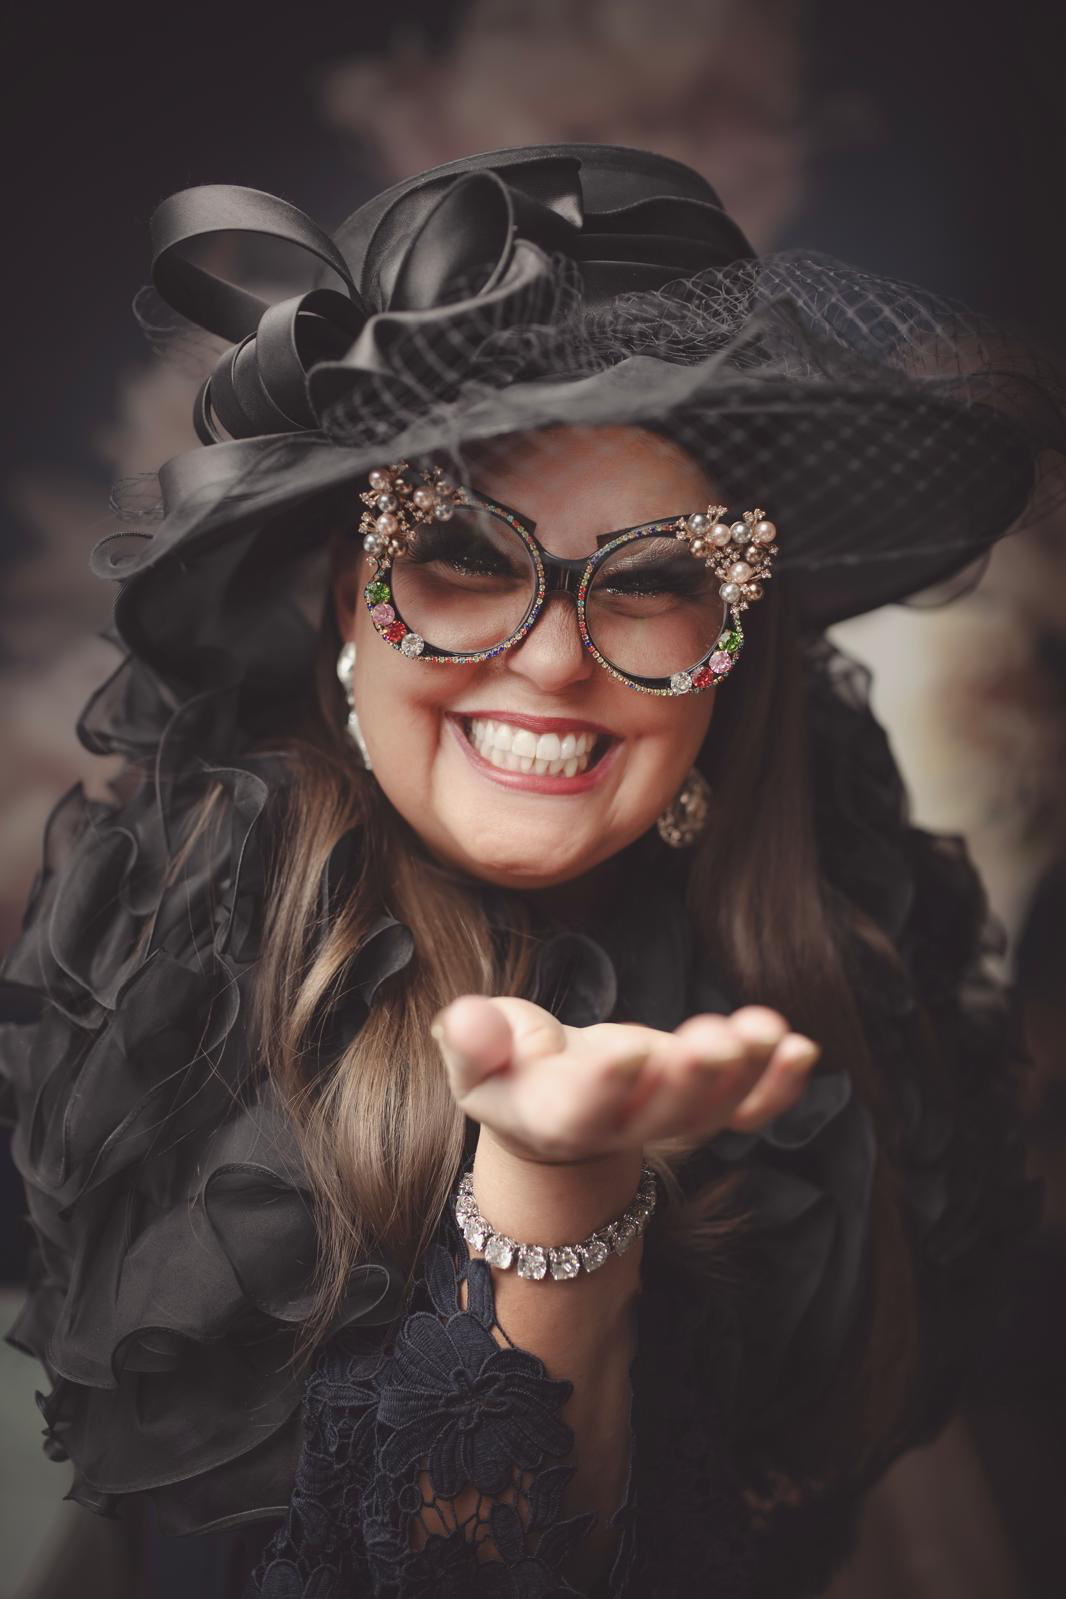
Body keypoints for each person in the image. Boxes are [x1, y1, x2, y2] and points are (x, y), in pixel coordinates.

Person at [1, 144, 1062, 1599]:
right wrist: (554, 1187)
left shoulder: (861, 955)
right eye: (456, 553)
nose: (557, 656)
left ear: (727, 650)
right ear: (339, 598)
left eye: (650, 574)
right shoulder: (184, 974)